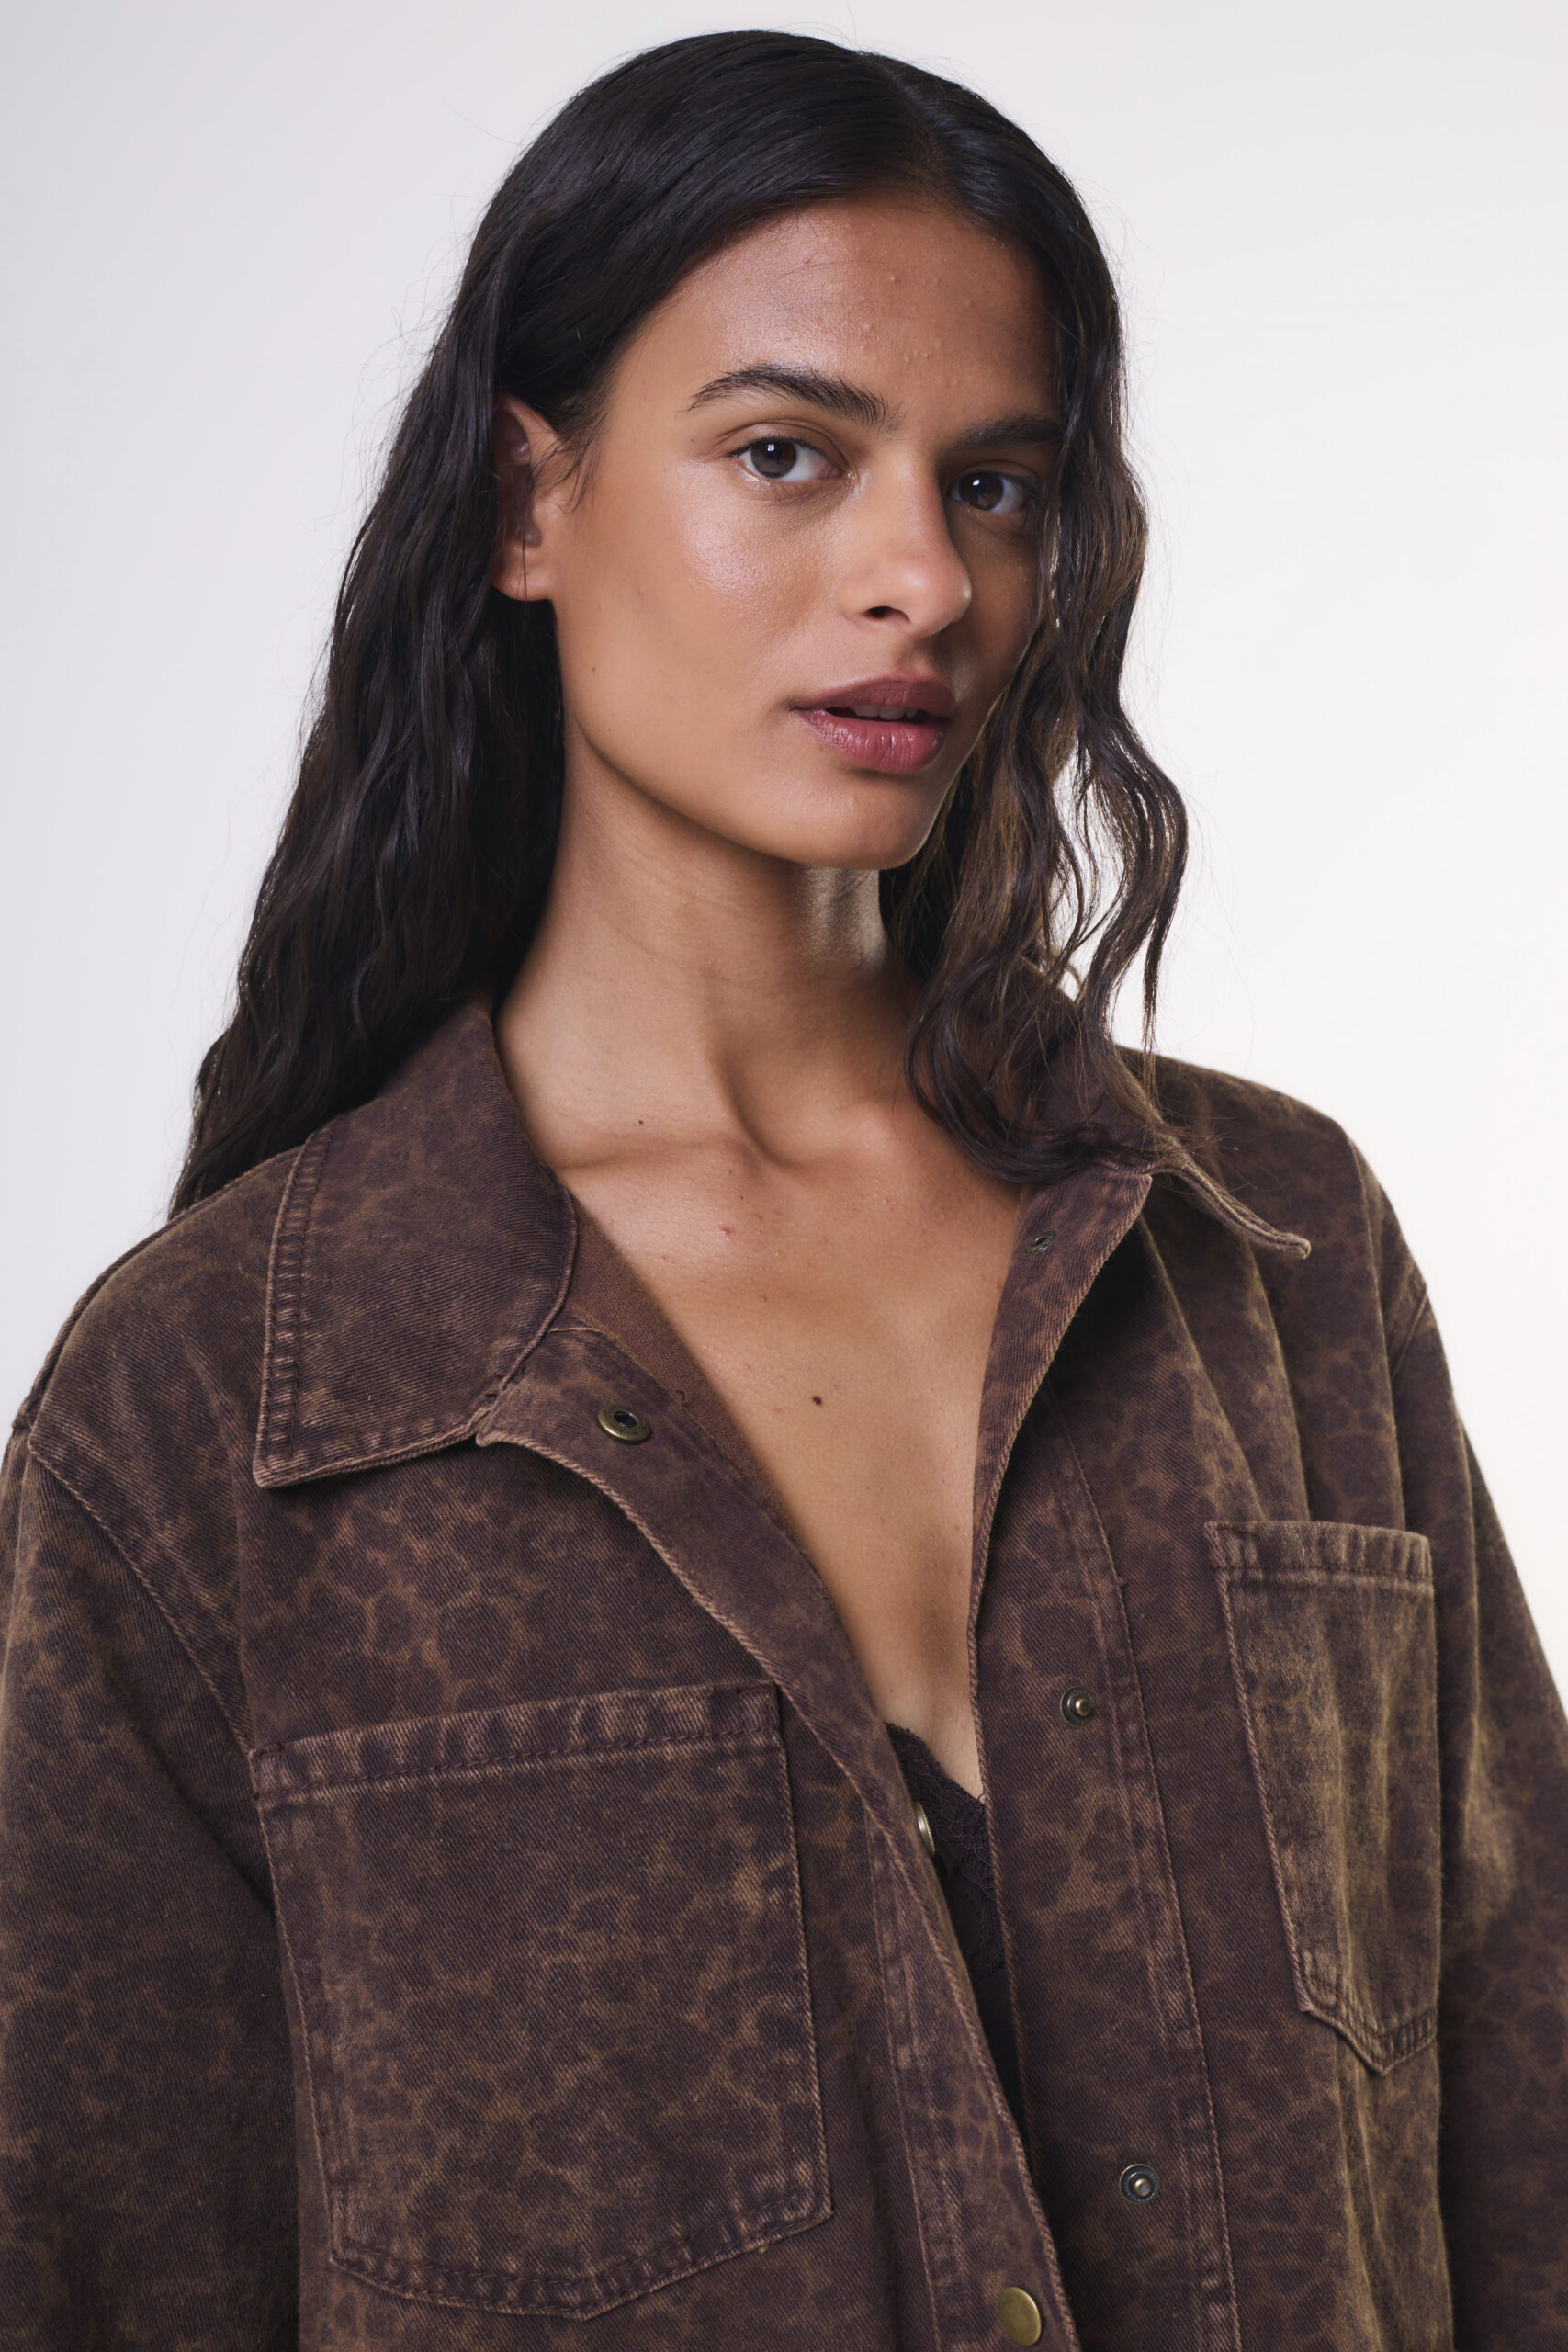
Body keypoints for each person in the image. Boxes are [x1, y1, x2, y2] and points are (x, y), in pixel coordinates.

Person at [2, 29, 1563, 2352]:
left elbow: (1524, 2148)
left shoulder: (1268, 1253)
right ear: (523, 504)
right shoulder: (217, 1409)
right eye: (783, 454)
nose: (920, 576)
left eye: (994, 484)